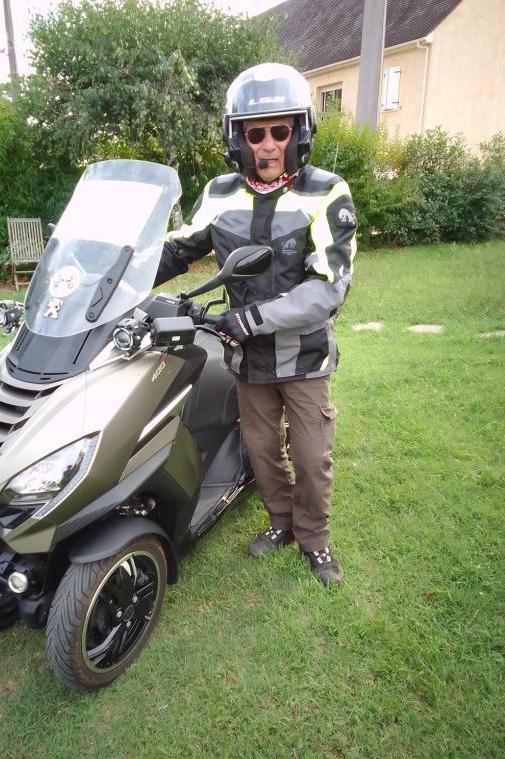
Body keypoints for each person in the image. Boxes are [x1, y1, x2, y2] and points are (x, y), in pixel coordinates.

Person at [155, 63, 357, 585]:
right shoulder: (220, 193)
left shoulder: (326, 192)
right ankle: (281, 523)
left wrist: (250, 318)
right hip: (247, 359)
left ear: (299, 132)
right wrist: (113, 274)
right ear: (237, 138)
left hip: (304, 357)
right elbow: (177, 250)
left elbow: (328, 288)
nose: (268, 145)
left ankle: (314, 539)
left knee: (311, 457)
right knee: (262, 453)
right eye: (255, 133)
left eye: (280, 131)